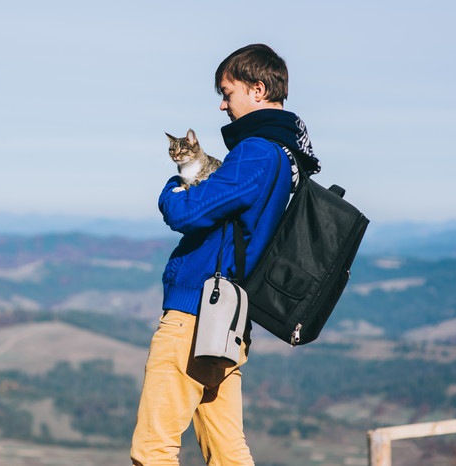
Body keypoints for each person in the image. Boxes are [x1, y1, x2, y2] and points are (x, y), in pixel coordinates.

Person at [130, 44, 321, 466]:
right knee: (227, 450)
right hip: (230, 316)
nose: (222, 104)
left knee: (153, 448)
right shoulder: (290, 156)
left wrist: (171, 185)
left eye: (226, 92)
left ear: (257, 90)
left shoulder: (256, 151)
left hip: (197, 314)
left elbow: (188, 212)